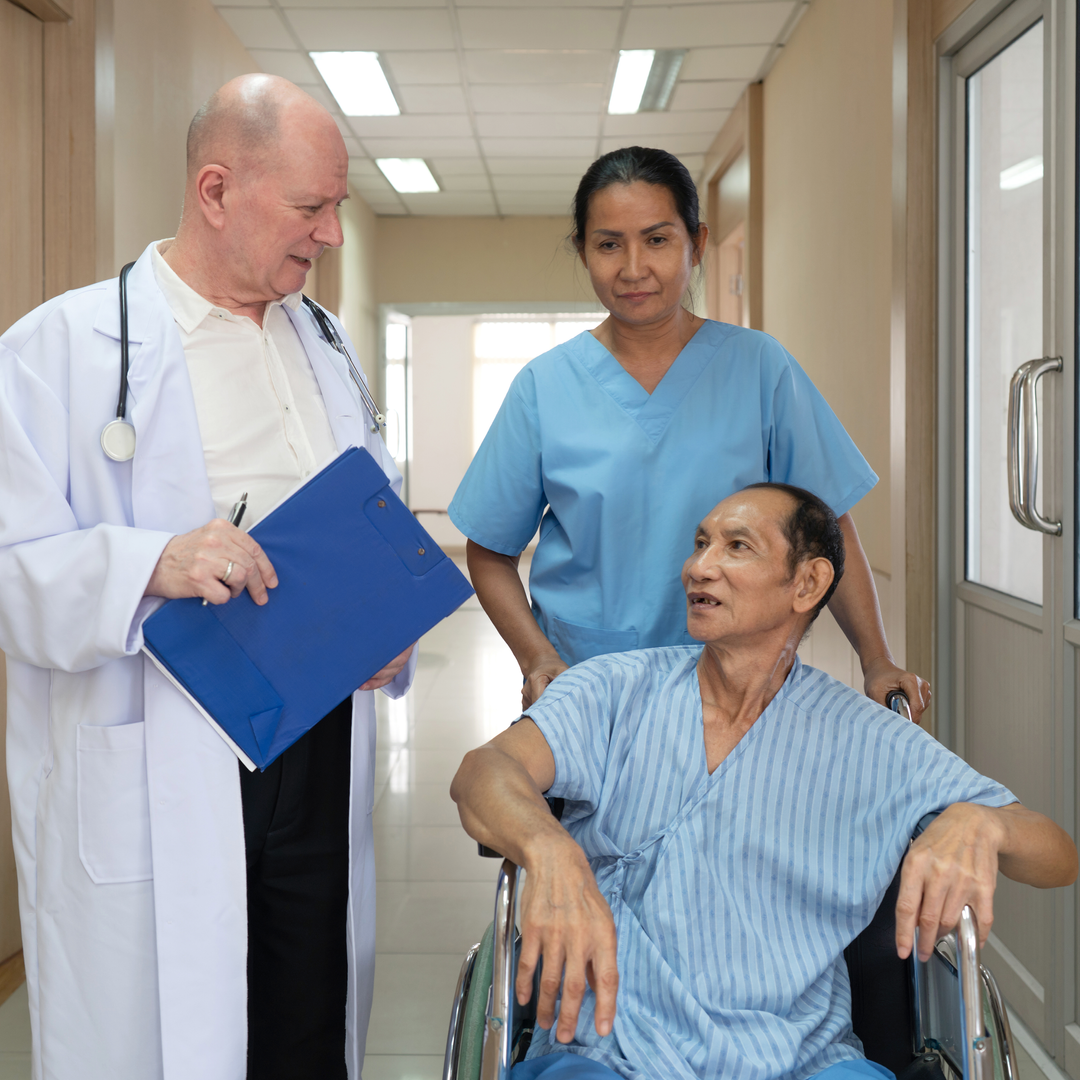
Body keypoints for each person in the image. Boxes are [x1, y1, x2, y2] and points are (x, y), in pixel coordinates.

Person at [0, 75, 413, 1080]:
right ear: (216, 191)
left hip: (314, 734)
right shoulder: (58, 350)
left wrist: (386, 624)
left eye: (337, 208)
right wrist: (153, 562)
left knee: (305, 1012)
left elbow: (373, 504)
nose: (332, 237)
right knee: (169, 1030)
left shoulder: (323, 345)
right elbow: (11, 569)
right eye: (311, 209)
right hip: (159, 742)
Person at [451, 483, 1077, 1080]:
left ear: (808, 583)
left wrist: (982, 820)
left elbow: (1056, 854)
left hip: (801, 1057)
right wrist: (549, 847)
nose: (698, 568)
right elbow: (484, 771)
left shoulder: (866, 739)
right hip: (604, 1048)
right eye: (700, 544)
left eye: (736, 547)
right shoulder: (614, 689)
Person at [449, 146, 930, 721]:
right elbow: (490, 551)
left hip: (742, 683)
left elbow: (831, 526)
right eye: (608, 244)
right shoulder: (544, 385)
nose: (633, 268)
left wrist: (876, 660)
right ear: (583, 250)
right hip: (591, 687)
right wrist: (538, 658)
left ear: (696, 243)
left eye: (657, 239)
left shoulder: (759, 367)